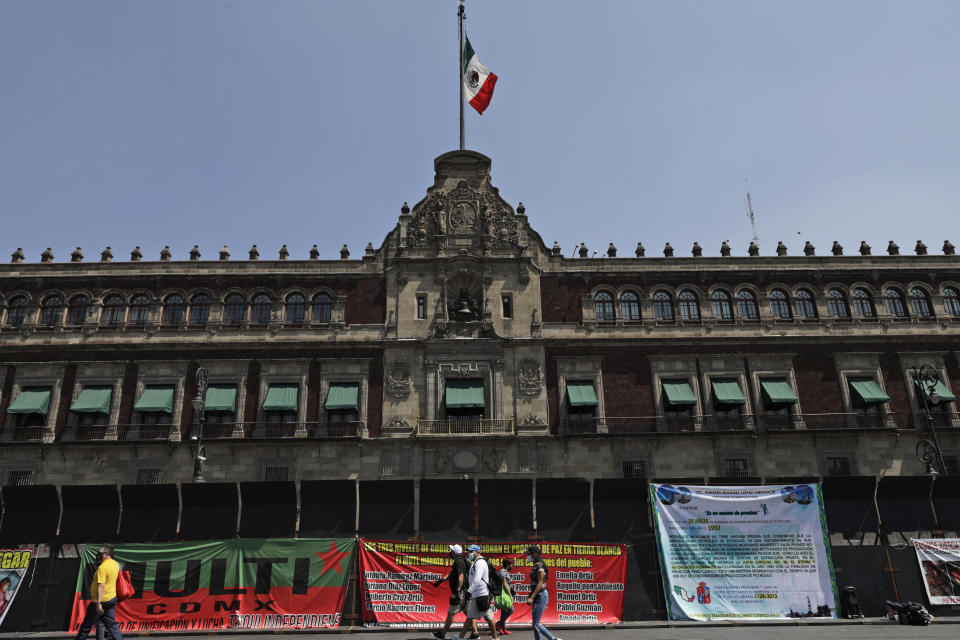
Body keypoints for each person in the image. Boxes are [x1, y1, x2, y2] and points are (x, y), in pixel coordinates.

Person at [74, 545, 124, 640]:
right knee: (112, 625)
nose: (98, 555)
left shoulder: (103, 568)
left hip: (101, 600)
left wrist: (98, 604)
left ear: (107, 554)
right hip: (111, 599)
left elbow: (101, 586)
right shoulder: (115, 565)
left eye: (101, 553)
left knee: (86, 625)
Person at [458, 545, 498, 640]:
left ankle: (495, 638)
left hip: (482, 594)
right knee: (470, 617)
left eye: (471, 551)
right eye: (469, 551)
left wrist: (469, 591)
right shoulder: (476, 562)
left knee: (489, 617)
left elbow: (477, 579)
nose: (469, 553)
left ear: (477, 551)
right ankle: (459, 637)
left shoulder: (480, 562)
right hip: (477, 594)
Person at [432, 544, 467, 640]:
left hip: (459, 592)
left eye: (452, 551)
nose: (450, 552)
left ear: (455, 553)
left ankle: (442, 634)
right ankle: (475, 633)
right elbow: (451, 574)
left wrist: (457, 591)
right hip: (463, 592)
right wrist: (441, 581)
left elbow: (461, 576)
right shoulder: (459, 561)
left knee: (451, 613)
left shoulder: (458, 562)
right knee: (469, 614)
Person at [525, 546, 561, 640]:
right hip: (539, 595)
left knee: (536, 623)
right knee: (535, 623)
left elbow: (540, 584)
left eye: (529, 554)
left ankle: (553, 639)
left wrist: (532, 597)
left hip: (540, 595)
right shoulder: (536, 565)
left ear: (534, 554)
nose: (527, 556)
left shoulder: (540, 566)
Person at [494, 558, 516, 635]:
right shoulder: (503, 572)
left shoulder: (504, 572)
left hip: (506, 593)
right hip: (505, 594)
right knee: (511, 610)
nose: (512, 566)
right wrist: (510, 595)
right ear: (507, 565)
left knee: (504, 611)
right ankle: (499, 624)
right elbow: (505, 583)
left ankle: (503, 628)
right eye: (511, 564)